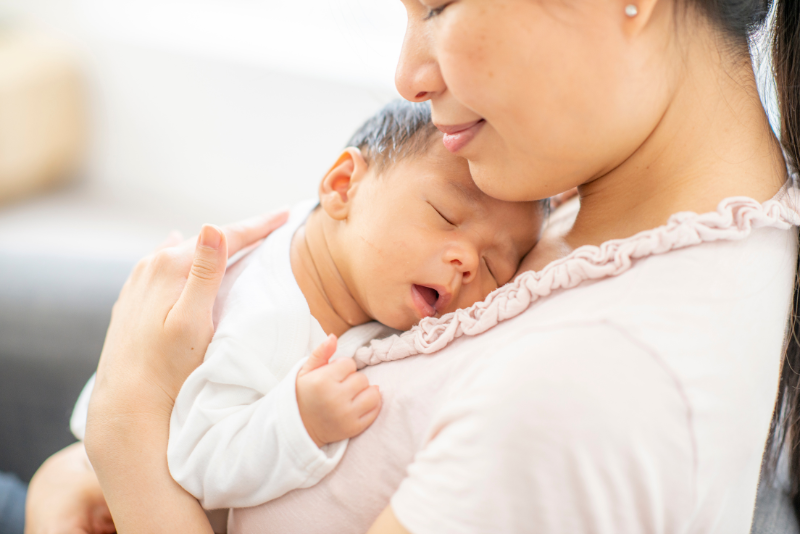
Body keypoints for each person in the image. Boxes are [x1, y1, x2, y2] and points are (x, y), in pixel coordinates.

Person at [25, 0, 800, 531]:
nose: (406, 77)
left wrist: (124, 426)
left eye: (438, 7)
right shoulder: (585, 185)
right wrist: (77, 472)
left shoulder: (583, 393)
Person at [68, 100, 543, 510]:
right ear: (342, 187)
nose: (466, 262)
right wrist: (296, 421)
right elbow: (194, 458)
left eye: (496, 267)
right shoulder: (262, 316)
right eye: (446, 215)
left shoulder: (347, 257)